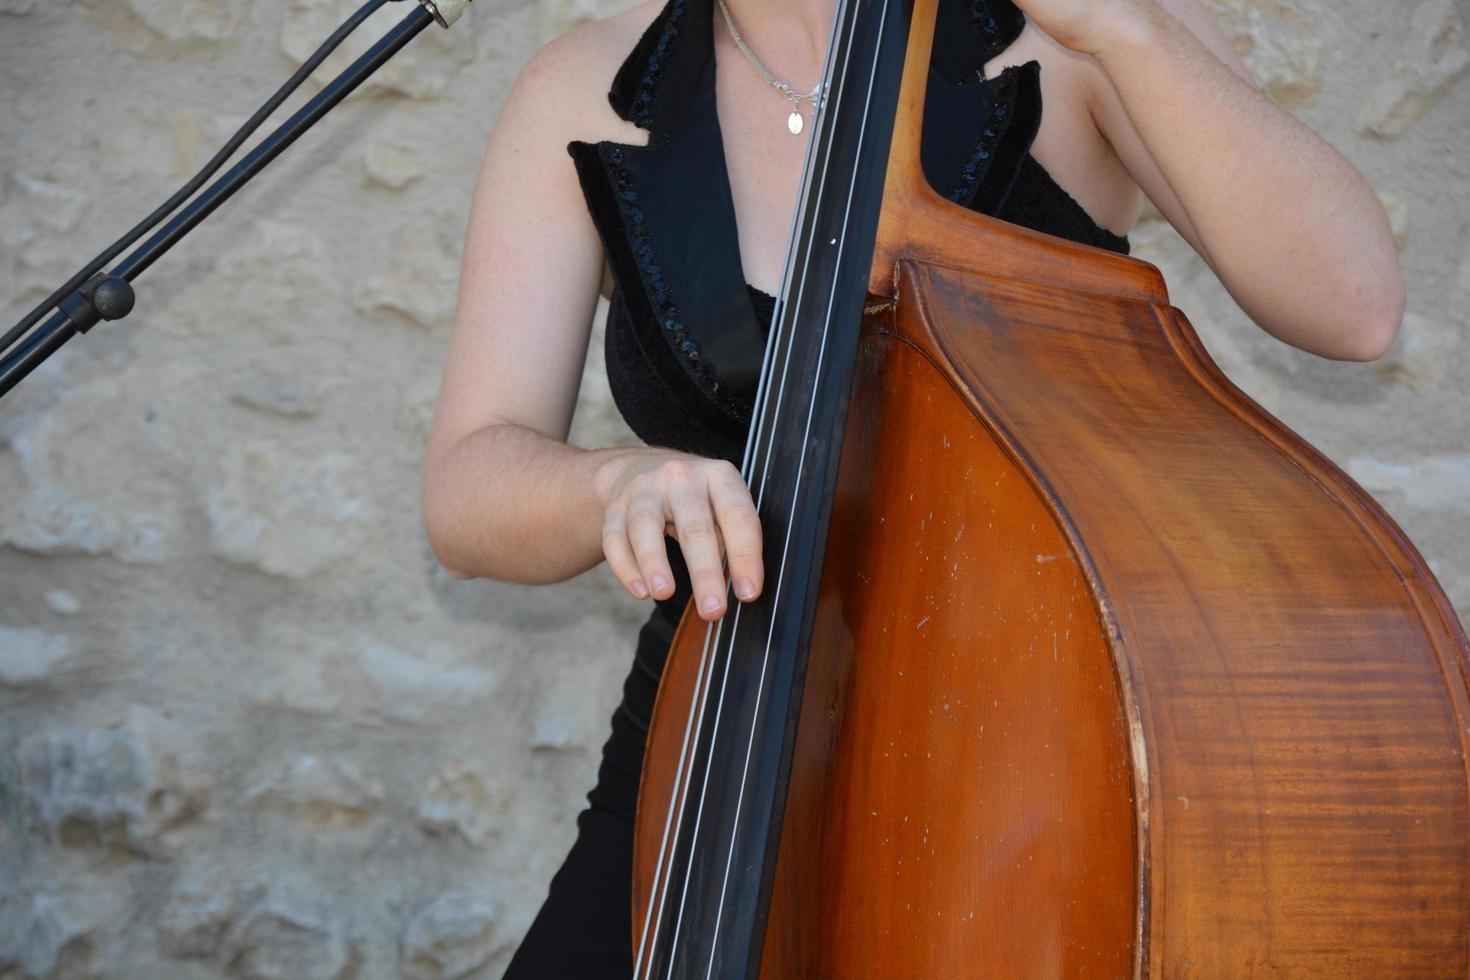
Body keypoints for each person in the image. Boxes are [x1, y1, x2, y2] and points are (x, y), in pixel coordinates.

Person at [419, 0, 1405, 973]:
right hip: (710, 758)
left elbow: (1354, 307)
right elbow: (468, 486)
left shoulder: (1069, 40)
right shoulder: (589, 86)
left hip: (1023, 770)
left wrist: (1123, 25)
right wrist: (612, 486)